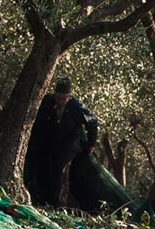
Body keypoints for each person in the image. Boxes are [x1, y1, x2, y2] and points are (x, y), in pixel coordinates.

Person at [23, 78, 99, 208]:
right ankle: (40, 199)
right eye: (58, 98)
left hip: (69, 144)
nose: (60, 101)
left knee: (58, 171)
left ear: (69, 97)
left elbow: (93, 123)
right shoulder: (47, 101)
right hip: (51, 142)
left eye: (63, 99)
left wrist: (91, 143)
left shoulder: (77, 107)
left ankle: (56, 204)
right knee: (43, 168)